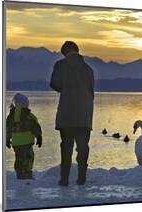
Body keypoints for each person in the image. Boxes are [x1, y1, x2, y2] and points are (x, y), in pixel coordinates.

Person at [50, 41, 94, 186]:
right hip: (84, 116)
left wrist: (66, 89)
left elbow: (55, 84)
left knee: (66, 147)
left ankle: (64, 179)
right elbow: (91, 93)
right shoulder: (88, 69)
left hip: (67, 115)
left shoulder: (60, 65)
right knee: (82, 147)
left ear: (65, 51)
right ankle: (81, 178)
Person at [6, 93, 42, 179]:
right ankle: (27, 173)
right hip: (27, 142)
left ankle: (19, 173)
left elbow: (8, 129)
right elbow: (36, 128)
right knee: (29, 157)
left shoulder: (10, 117)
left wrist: (7, 139)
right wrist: (39, 137)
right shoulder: (30, 116)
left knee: (18, 157)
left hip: (16, 142)